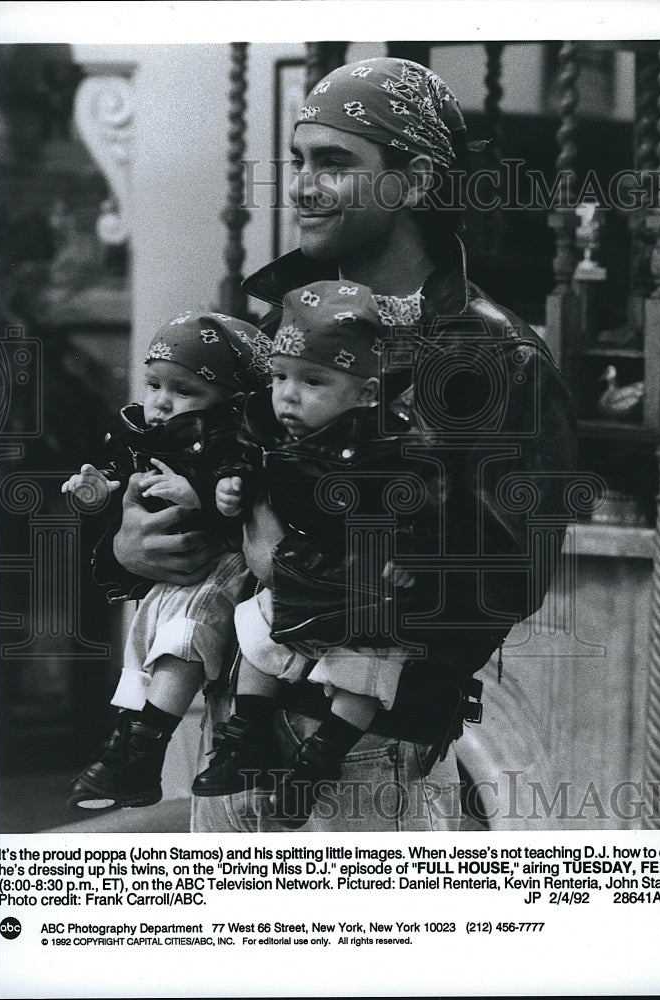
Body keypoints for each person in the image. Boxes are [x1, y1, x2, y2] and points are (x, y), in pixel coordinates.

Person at [96, 56, 578, 832]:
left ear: (414, 181)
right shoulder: (270, 335)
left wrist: (292, 562)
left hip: (366, 748)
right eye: (297, 161)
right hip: (226, 735)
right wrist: (130, 544)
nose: (301, 185)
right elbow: (190, 489)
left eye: (333, 163)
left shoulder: (491, 358)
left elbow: (502, 582)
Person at [192, 279, 442, 827]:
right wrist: (229, 482)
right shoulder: (266, 432)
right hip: (294, 580)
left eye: (313, 381)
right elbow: (227, 456)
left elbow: (429, 503)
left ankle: (322, 756)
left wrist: (413, 552)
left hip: (362, 593)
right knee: (255, 636)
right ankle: (245, 737)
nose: (288, 394)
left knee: (365, 669)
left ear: (368, 394)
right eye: (280, 376)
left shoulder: (391, 448)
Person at [63, 309, 270, 810]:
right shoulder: (139, 430)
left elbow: (242, 489)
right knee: (147, 637)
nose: (160, 403)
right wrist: (97, 494)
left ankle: (142, 745)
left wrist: (198, 492)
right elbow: (118, 484)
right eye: (154, 385)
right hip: (172, 575)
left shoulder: (230, 438)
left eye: (183, 391)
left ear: (230, 399)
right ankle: (128, 746)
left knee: (185, 631)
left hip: (221, 567)